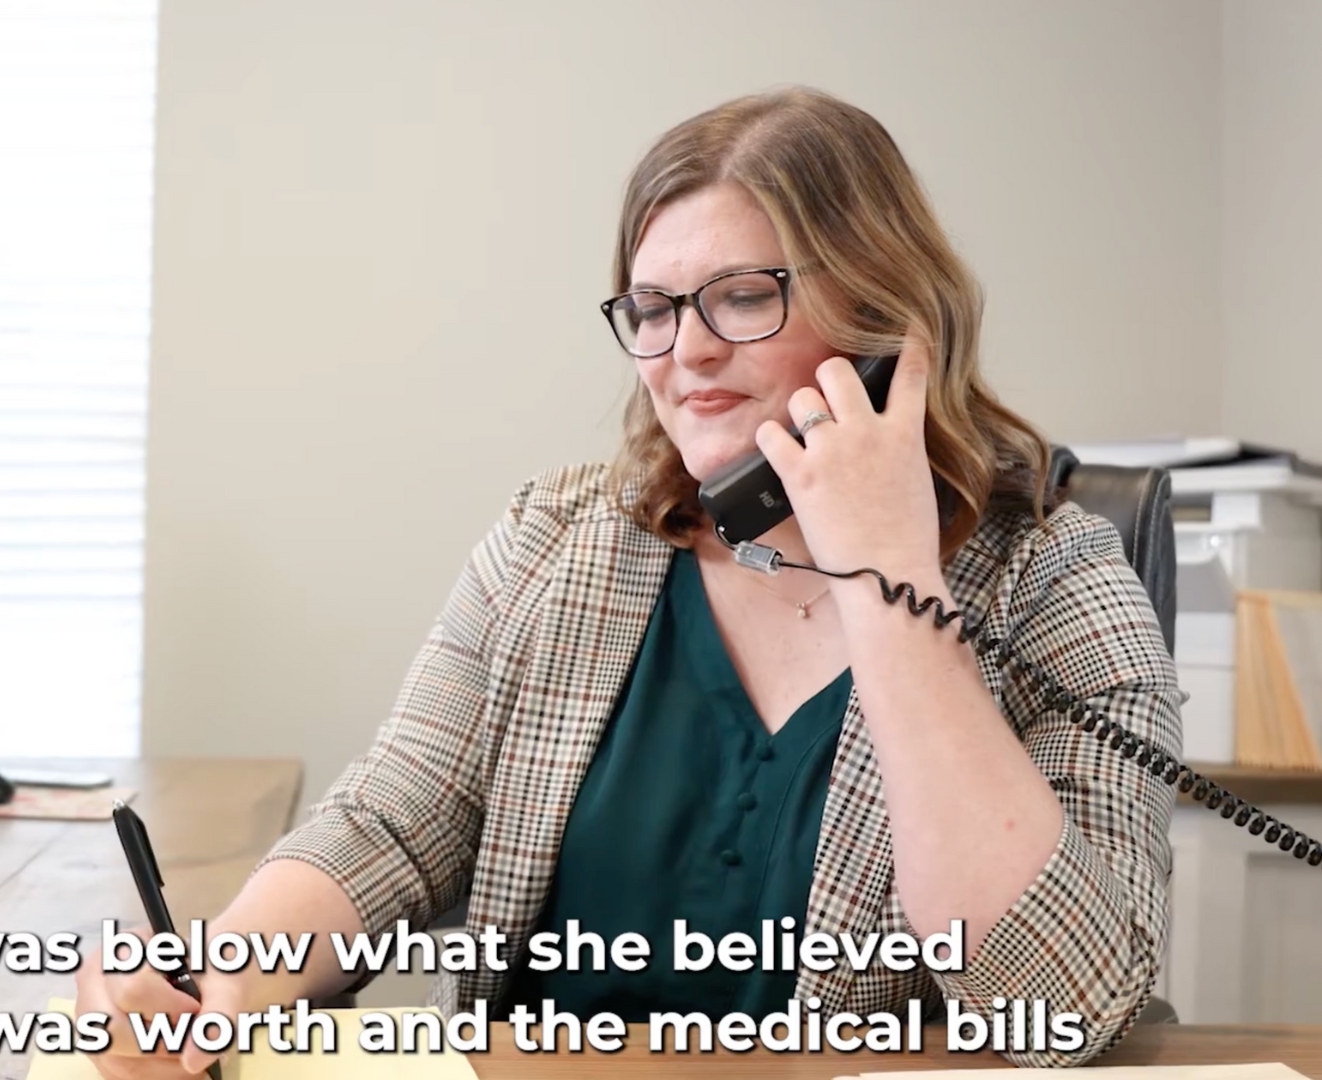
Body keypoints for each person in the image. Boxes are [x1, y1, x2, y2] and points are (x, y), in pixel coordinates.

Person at [79, 87, 1180, 1071]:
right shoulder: (559, 541)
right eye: (652, 309)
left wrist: (890, 575)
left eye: (742, 297)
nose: (683, 352)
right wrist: (217, 984)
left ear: (889, 320)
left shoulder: (1053, 584)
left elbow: (1063, 1006)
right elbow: (389, 826)